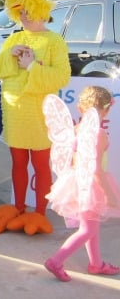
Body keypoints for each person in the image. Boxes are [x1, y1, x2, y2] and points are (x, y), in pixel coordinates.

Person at [0, 0, 71, 235]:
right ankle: (18, 207)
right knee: (18, 162)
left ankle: (40, 213)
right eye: (21, 12)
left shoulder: (54, 42)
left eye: (29, 10)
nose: (26, 16)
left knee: (41, 165)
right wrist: (10, 55)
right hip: (15, 112)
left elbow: (62, 76)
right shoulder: (12, 39)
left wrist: (32, 66)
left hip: (40, 113)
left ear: (41, 8)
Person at [44, 86, 120, 282]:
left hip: (77, 182)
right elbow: (96, 169)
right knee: (87, 229)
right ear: (106, 109)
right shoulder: (99, 134)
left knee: (91, 227)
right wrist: (109, 194)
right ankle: (56, 261)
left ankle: (96, 264)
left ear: (81, 108)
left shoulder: (78, 129)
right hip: (91, 185)